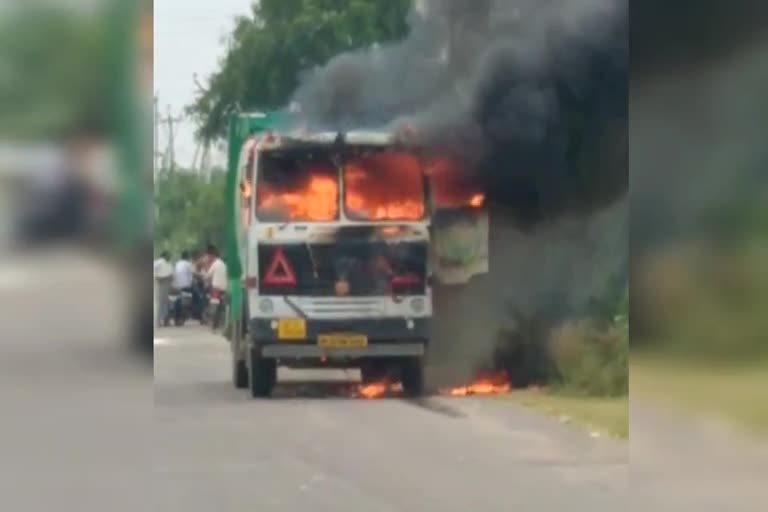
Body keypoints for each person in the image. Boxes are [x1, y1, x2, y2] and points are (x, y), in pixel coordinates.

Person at [154, 251, 173, 326]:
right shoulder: (159, 262)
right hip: (161, 282)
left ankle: (164, 320)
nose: (170, 257)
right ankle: (158, 321)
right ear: (165, 255)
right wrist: (158, 277)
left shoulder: (168, 263)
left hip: (166, 282)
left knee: (164, 302)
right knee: (160, 302)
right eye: (168, 255)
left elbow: (171, 274)